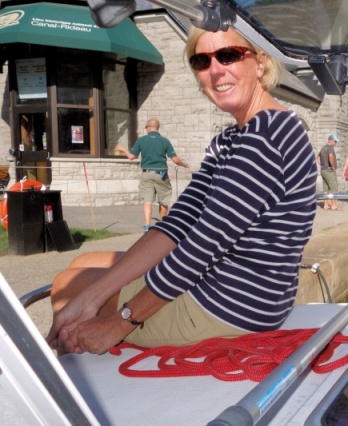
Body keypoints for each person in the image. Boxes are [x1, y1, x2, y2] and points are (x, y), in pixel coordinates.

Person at [45, 26, 317, 356]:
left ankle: (61, 390)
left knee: (66, 283)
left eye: (228, 55)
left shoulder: (267, 134)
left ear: (260, 63)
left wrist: (118, 324)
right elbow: (177, 225)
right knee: (87, 266)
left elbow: (203, 245)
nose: (215, 71)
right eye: (201, 61)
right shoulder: (231, 140)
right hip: (235, 289)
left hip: (231, 305)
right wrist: (92, 299)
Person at [116, 119, 189, 232]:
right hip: (161, 175)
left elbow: (131, 157)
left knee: (147, 200)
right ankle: (163, 224)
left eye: (146, 127)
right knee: (163, 200)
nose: (146, 129)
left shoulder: (141, 140)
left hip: (146, 174)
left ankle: (147, 225)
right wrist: (184, 164)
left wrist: (123, 149)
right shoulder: (165, 141)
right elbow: (175, 160)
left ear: (149, 128)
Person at [317, 134, 340, 210]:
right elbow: (330, 156)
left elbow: (318, 157)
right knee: (334, 187)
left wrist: (322, 165)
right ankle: (333, 205)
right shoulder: (330, 147)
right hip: (329, 170)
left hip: (323, 170)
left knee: (325, 188)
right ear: (330, 140)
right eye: (335, 141)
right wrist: (333, 167)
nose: (336, 143)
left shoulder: (323, 148)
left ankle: (325, 205)